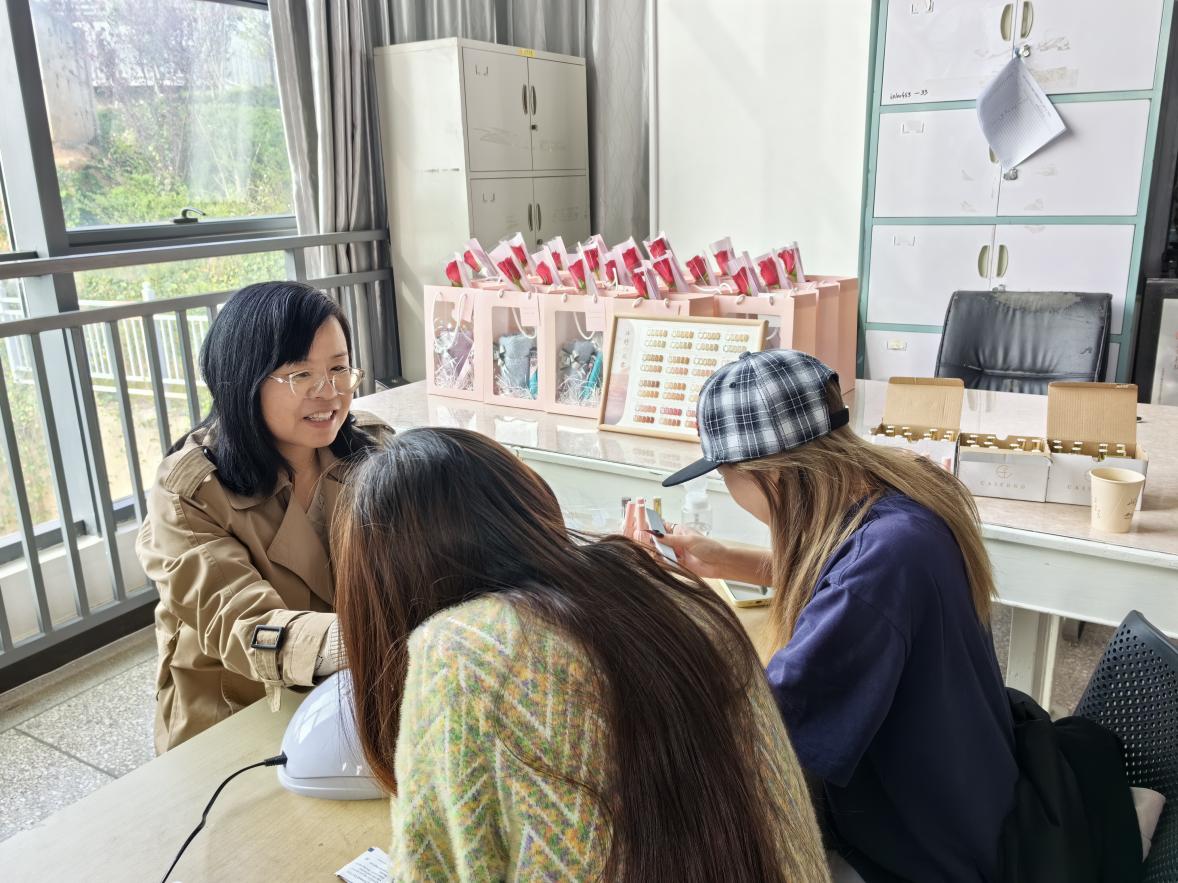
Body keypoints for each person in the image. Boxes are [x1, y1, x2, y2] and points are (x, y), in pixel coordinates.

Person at [333, 427, 832, 882]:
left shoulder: (462, 650)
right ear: (529, 503)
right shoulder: (677, 594)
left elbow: (434, 867)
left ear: (388, 583)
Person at [658, 350, 1018, 883]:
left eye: (725, 474)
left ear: (769, 475)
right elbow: (842, 570)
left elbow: (762, 730)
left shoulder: (881, 565)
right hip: (971, 797)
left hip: (923, 853)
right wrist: (723, 560)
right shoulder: (906, 497)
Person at [136, 281, 389, 752]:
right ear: (244, 380)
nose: (329, 393)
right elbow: (245, 626)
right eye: (301, 375)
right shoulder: (192, 490)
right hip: (239, 710)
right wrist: (376, 638)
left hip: (353, 693)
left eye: (339, 369)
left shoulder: (372, 450)